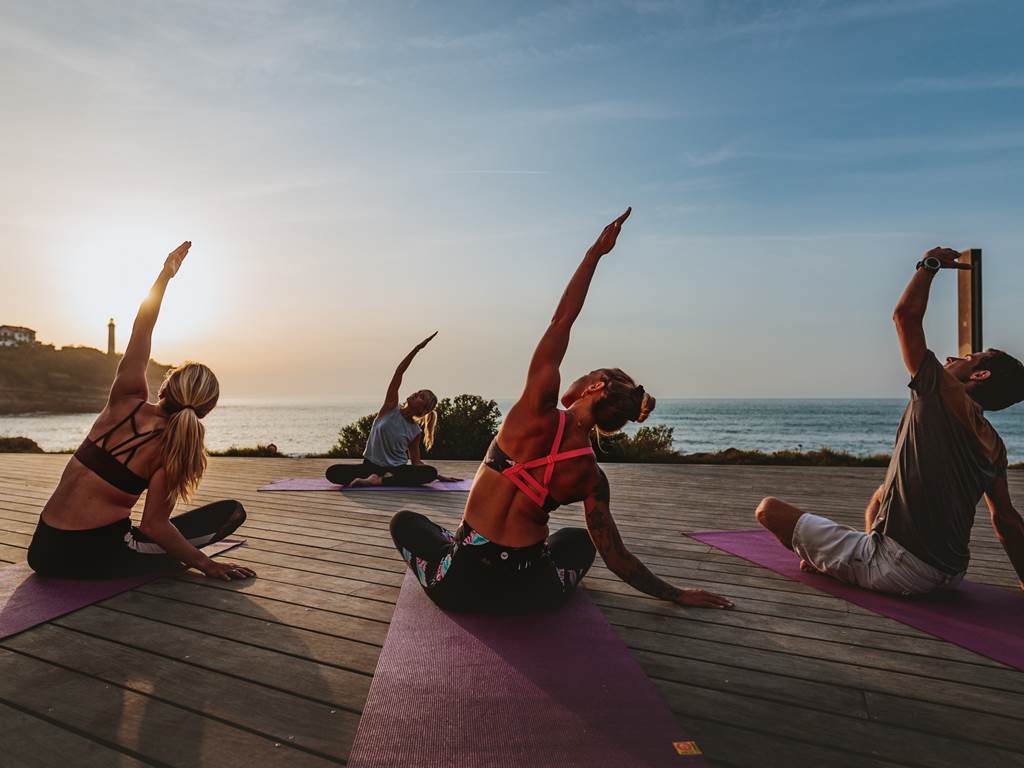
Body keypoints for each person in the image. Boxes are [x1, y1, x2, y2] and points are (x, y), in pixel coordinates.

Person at [389, 208, 735, 612]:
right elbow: (616, 556)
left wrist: (594, 255)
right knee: (580, 541)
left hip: (460, 585)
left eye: (587, 371)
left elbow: (562, 319)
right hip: (530, 594)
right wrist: (676, 595)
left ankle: (462, 546)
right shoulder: (591, 476)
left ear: (595, 386)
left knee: (406, 523)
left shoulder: (533, 411)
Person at [756, 247, 1024, 596]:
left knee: (768, 510)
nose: (952, 357)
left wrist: (929, 266)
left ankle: (841, 565)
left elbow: (905, 318)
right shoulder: (993, 443)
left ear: (981, 374)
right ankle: (853, 558)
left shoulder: (942, 392)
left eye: (968, 357)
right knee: (881, 496)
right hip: (950, 573)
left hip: (902, 572)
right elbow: (1006, 520)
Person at [27, 242, 255, 582]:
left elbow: (142, 328)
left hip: (43, 549)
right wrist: (207, 564)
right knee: (230, 513)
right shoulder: (171, 448)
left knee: (155, 532)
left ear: (164, 388)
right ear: (205, 410)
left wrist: (165, 276)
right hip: (91, 556)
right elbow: (154, 526)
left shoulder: (125, 399)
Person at [326, 333, 459, 487]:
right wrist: (417, 349)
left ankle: (379, 480)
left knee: (429, 473)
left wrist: (438, 476)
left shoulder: (415, 431)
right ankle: (378, 477)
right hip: (369, 466)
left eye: (421, 397)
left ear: (422, 410)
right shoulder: (390, 407)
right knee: (332, 472)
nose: (416, 393)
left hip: (396, 469)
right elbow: (399, 372)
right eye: (418, 392)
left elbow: (416, 462)